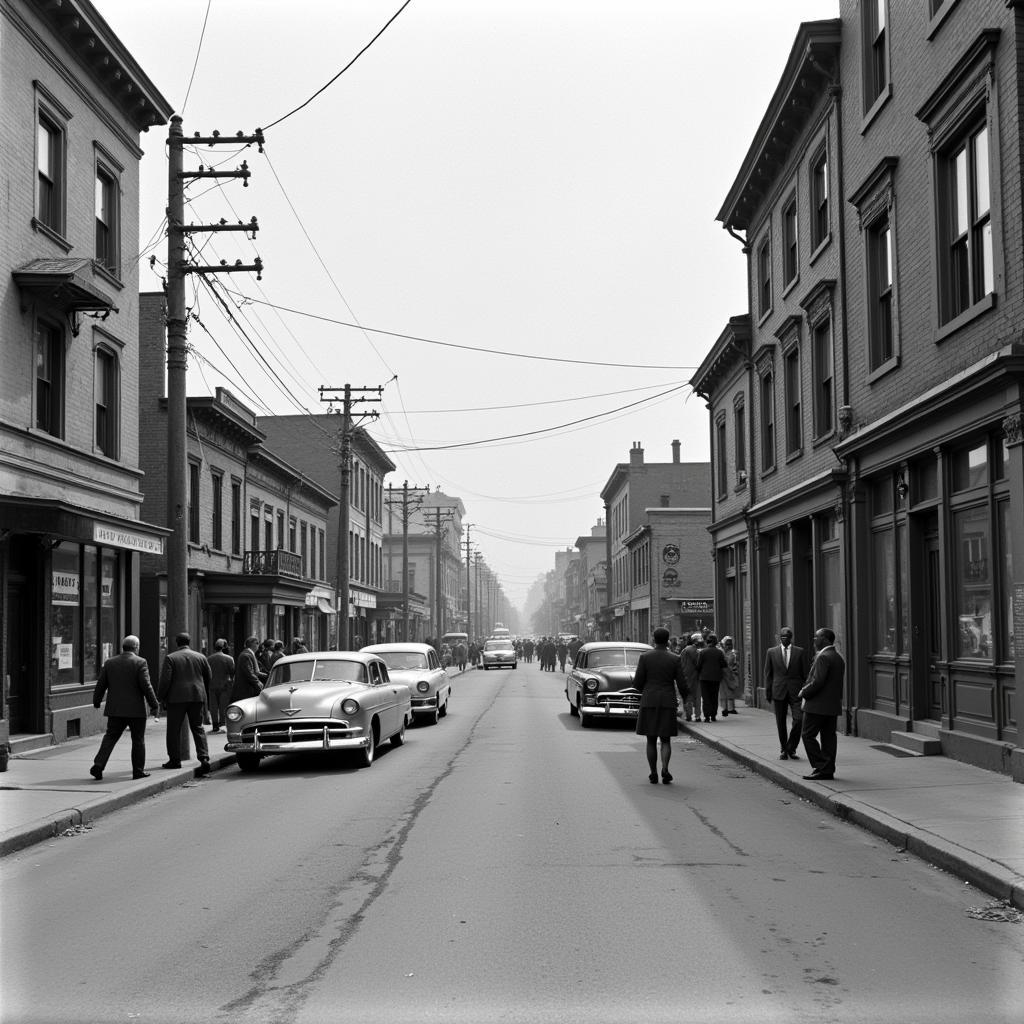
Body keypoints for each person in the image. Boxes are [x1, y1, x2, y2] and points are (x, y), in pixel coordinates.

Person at [89, 635, 159, 781]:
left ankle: (99, 765)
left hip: (115, 709)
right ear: (136, 647)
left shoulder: (110, 663)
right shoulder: (140, 662)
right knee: (138, 740)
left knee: (110, 737)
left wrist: (96, 701)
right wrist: (154, 704)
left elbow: (101, 684)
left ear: (123, 647)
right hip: (136, 710)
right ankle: (138, 771)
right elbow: (146, 686)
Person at [634, 627, 689, 784]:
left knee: (651, 740)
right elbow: (682, 682)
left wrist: (643, 687)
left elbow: (638, 683)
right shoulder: (675, 658)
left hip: (649, 700)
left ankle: (653, 773)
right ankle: (665, 768)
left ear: (653, 639)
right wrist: (686, 698)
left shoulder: (645, 657)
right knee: (665, 739)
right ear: (668, 640)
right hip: (667, 701)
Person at [157, 632, 212, 775]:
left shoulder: (171, 658)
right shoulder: (201, 657)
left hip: (177, 698)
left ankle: (175, 760)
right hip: (197, 696)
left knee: (173, 730)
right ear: (189, 641)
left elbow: (165, 680)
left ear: (176, 642)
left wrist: (160, 697)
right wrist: (202, 690)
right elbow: (208, 676)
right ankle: (204, 757)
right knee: (198, 727)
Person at [798, 627, 846, 780]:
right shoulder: (838, 657)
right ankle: (827, 770)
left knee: (807, 735)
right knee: (828, 738)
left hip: (817, 706)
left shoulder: (824, 657)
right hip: (832, 706)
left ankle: (822, 765)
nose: (814, 640)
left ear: (825, 639)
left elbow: (817, 681)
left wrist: (803, 692)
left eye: (816, 637)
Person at [763, 626, 810, 760]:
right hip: (778, 691)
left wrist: (805, 690)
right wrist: (768, 692)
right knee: (781, 722)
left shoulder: (800, 652)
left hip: (796, 692)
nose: (785, 639)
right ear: (779, 637)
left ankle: (791, 747)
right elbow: (768, 674)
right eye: (782, 636)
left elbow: (805, 674)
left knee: (799, 720)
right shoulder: (771, 652)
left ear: (791, 638)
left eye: (787, 637)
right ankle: (784, 749)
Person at [695, 632, 727, 723]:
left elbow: (698, 665)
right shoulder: (719, 652)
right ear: (716, 642)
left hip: (704, 678)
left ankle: (707, 716)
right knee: (714, 696)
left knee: (706, 697)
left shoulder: (703, 652)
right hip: (716, 678)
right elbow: (724, 664)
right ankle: (713, 715)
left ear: (707, 642)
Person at [207, 639, 235, 733]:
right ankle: (222, 723)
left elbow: (206, 673)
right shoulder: (229, 658)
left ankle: (215, 725)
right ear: (224, 647)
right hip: (225, 685)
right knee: (223, 705)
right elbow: (232, 672)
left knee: (213, 706)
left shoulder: (209, 658)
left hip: (212, 684)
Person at [231, 635, 267, 702]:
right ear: (253, 644)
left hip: (248, 688)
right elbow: (249, 672)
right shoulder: (246, 655)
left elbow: (256, 671)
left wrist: (267, 675)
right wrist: (258, 682)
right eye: (257, 643)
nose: (258, 646)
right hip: (245, 690)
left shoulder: (250, 654)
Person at [679, 633, 703, 722]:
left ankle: (688, 715)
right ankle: (697, 716)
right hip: (696, 676)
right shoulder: (696, 651)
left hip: (685, 676)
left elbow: (680, 663)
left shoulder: (684, 650)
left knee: (688, 697)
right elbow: (698, 663)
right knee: (697, 697)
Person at [719, 636, 742, 716]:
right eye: (727, 644)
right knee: (725, 692)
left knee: (730, 691)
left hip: (730, 674)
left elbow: (732, 664)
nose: (728, 646)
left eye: (729, 644)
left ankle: (729, 708)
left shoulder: (733, 653)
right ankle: (726, 708)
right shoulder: (724, 653)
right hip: (726, 674)